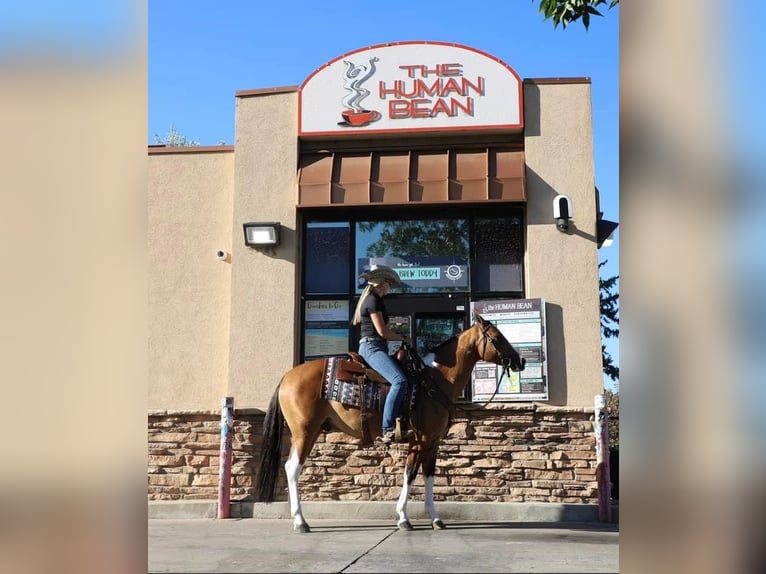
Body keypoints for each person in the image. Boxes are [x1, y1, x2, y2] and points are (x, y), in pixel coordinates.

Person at [352, 265, 413, 445]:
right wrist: (403, 337)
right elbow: (382, 332)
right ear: (381, 282)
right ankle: (388, 430)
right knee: (399, 381)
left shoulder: (372, 299)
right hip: (373, 348)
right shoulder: (373, 300)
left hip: (376, 347)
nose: (390, 287)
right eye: (389, 283)